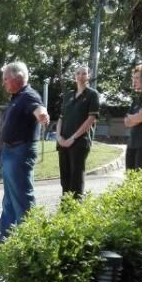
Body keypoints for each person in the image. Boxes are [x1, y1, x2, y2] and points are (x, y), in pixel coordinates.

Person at [0, 61, 50, 246]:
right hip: (10, 151)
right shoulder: (16, 97)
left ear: (18, 77)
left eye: (6, 79)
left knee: (22, 195)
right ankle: (6, 237)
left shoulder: (28, 95)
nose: (4, 83)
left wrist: (42, 115)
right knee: (9, 196)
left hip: (20, 151)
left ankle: (29, 240)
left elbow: (39, 108)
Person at [55, 66, 100, 199]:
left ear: (88, 76)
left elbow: (91, 119)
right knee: (65, 179)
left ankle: (76, 210)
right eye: (78, 73)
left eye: (84, 73)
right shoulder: (68, 95)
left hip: (79, 143)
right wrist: (58, 137)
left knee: (76, 179)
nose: (81, 76)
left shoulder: (92, 95)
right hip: (63, 142)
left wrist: (73, 138)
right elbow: (61, 118)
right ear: (75, 76)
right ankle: (65, 211)